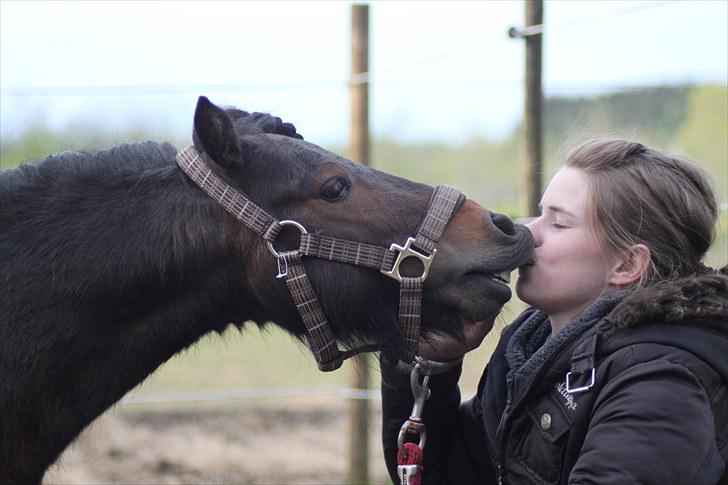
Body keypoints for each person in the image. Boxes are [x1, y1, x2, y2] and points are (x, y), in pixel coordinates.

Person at [380, 139, 728, 484]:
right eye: (540, 214)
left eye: (558, 223)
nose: (527, 233)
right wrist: (431, 366)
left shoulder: (659, 389)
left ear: (627, 264)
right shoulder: (530, 353)